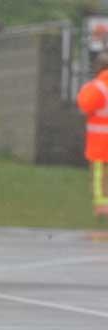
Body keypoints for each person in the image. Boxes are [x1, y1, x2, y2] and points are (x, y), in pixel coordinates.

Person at [77, 52, 108, 218]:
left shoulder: (98, 87)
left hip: (101, 141)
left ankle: (102, 207)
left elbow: (85, 105)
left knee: (99, 175)